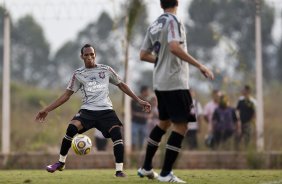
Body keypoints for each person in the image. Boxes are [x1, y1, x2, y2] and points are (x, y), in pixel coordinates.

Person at [35, 44, 151, 177]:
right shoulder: (78, 74)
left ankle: (119, 171)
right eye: (86, 55)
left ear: (95, 55)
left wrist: (139, 100)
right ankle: (61, 163)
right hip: (87, 111)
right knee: (71, 129)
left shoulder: (106, 70)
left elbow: (122, 85)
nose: (90, 57)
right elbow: (66, 95)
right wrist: (47, 110)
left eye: (92, 54)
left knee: (117, 135)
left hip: (106, 111)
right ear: (82, 56)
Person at [137, 0, 214, 183]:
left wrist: (161, 60)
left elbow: (143, 54)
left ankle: (146, 167)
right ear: (177, 2)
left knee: (163, 123)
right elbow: (174, 46)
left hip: (160, 83)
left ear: (161, 4)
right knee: (181, 126)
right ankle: (165, 174)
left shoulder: (155, 24)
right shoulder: (174, 21)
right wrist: (199, 65)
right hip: (175, 82)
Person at [131, 85, 150, 151]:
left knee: (143, 138)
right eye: (147, 91)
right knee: (134, 136)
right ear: (143, 91)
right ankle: (133, 151)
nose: (148, 93)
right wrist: (139, 115)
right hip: (135, 122)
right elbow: (131, 111)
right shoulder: (135, 100)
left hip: (144, 123)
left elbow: (150, 112)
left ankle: (139, 152)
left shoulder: (147, 101)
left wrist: (148, 116)